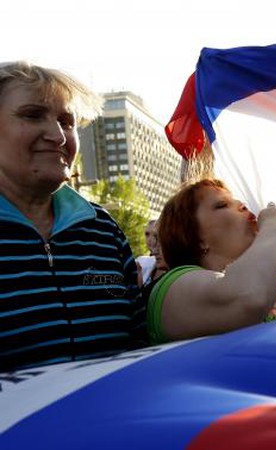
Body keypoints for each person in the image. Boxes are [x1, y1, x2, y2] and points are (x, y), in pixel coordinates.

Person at [0, 61, 144, 371]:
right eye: (32, 115)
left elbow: (138, 339)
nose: (58, 136)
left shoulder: (103, 229)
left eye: (66, 121)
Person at [147, 178, 276, 344]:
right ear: (194, 238)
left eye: (238, 200)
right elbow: (249, 297)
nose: (243, 205)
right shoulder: (173, 288)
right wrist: (274, 226)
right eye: (222, 205)